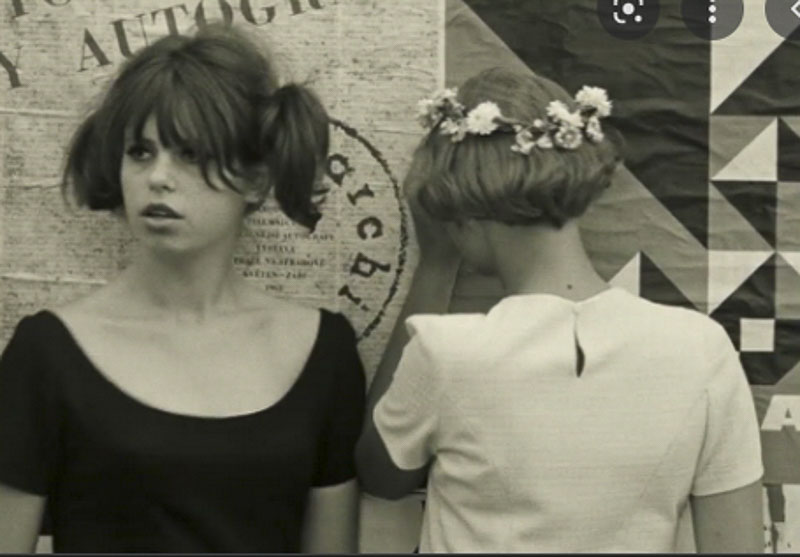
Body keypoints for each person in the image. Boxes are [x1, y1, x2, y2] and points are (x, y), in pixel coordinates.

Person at [355, 66, 764, 553]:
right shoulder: (701, 348)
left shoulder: (447, 351)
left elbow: (380, 476)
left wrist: (436, 267)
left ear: (457, 214)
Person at [0, 23, 365, 553]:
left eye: (190, 154)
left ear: (256, 180)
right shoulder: (47, 353)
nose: (158, 177)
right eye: (140, 152)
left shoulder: (323, 351)